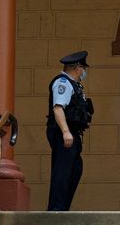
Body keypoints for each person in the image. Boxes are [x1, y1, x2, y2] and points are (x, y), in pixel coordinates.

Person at [46, 50, 93, 211]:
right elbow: (58, 108)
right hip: (64, 133)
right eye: (83, 69)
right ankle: (56, 210)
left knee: (74, 170)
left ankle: (62, 209)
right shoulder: (63, 83)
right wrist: (66, 132)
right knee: (63, 171)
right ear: (77, 68)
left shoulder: (74, 85)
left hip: (72, 133)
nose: (84, 72)